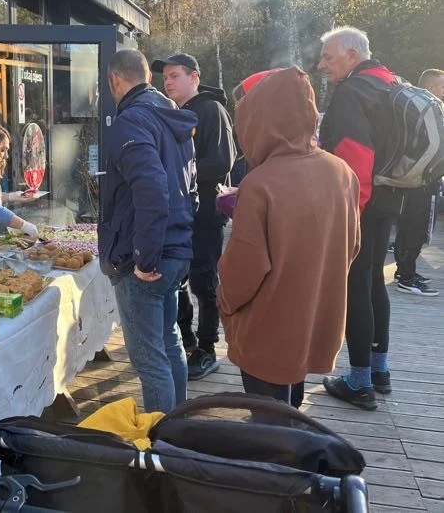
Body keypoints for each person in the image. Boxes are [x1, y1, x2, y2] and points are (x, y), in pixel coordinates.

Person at [218, 67, 360, 408]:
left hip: (267, 327)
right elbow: (352, 244)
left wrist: (222, 300)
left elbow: (244, 269)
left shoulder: (260, 183)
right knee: (291, 412)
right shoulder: (341, 171)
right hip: (315, 316)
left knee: (268, 424)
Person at [99, 49, 197, 413]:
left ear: (114, 80)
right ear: (149, 78)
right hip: (177, 250)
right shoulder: (170, 116)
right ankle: (178, 425)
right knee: (169, 343)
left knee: (149, 359)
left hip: (148, 258)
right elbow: (190, 186)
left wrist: (145, 255)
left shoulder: (130, 121)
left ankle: (161, 445)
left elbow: (153, 187)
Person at [318, 26, 403, 409]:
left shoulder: (352, 92)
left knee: (356, 285)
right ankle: (380, 371)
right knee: (374, 284)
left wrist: (350, 213)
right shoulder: (389, 83)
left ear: (353, 56)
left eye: (328, 58)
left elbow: (355, 156)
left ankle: (359, 382)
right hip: (391, 198)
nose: (322, 65)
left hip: (363, 203)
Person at [151, 53, 235, 380]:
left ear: (194, 78)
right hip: (177, 213)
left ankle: (208, 348)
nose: (167, 82)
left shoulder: (211, 110)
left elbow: (223, 162)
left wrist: (175, 172)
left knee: (204, 280)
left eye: (174, 76)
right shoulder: (173, 113)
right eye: (165, 77)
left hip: (205, 215)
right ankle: (185, 335)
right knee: (177, 277)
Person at [392, 68, 444, 296]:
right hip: (420, 178)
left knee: (417, 226)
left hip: (422, 178)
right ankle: (406, 276)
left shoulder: (422, 108)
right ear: (431, 87)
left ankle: (407, 271)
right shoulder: (426, 109)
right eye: (442, 86)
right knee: (414, 225)